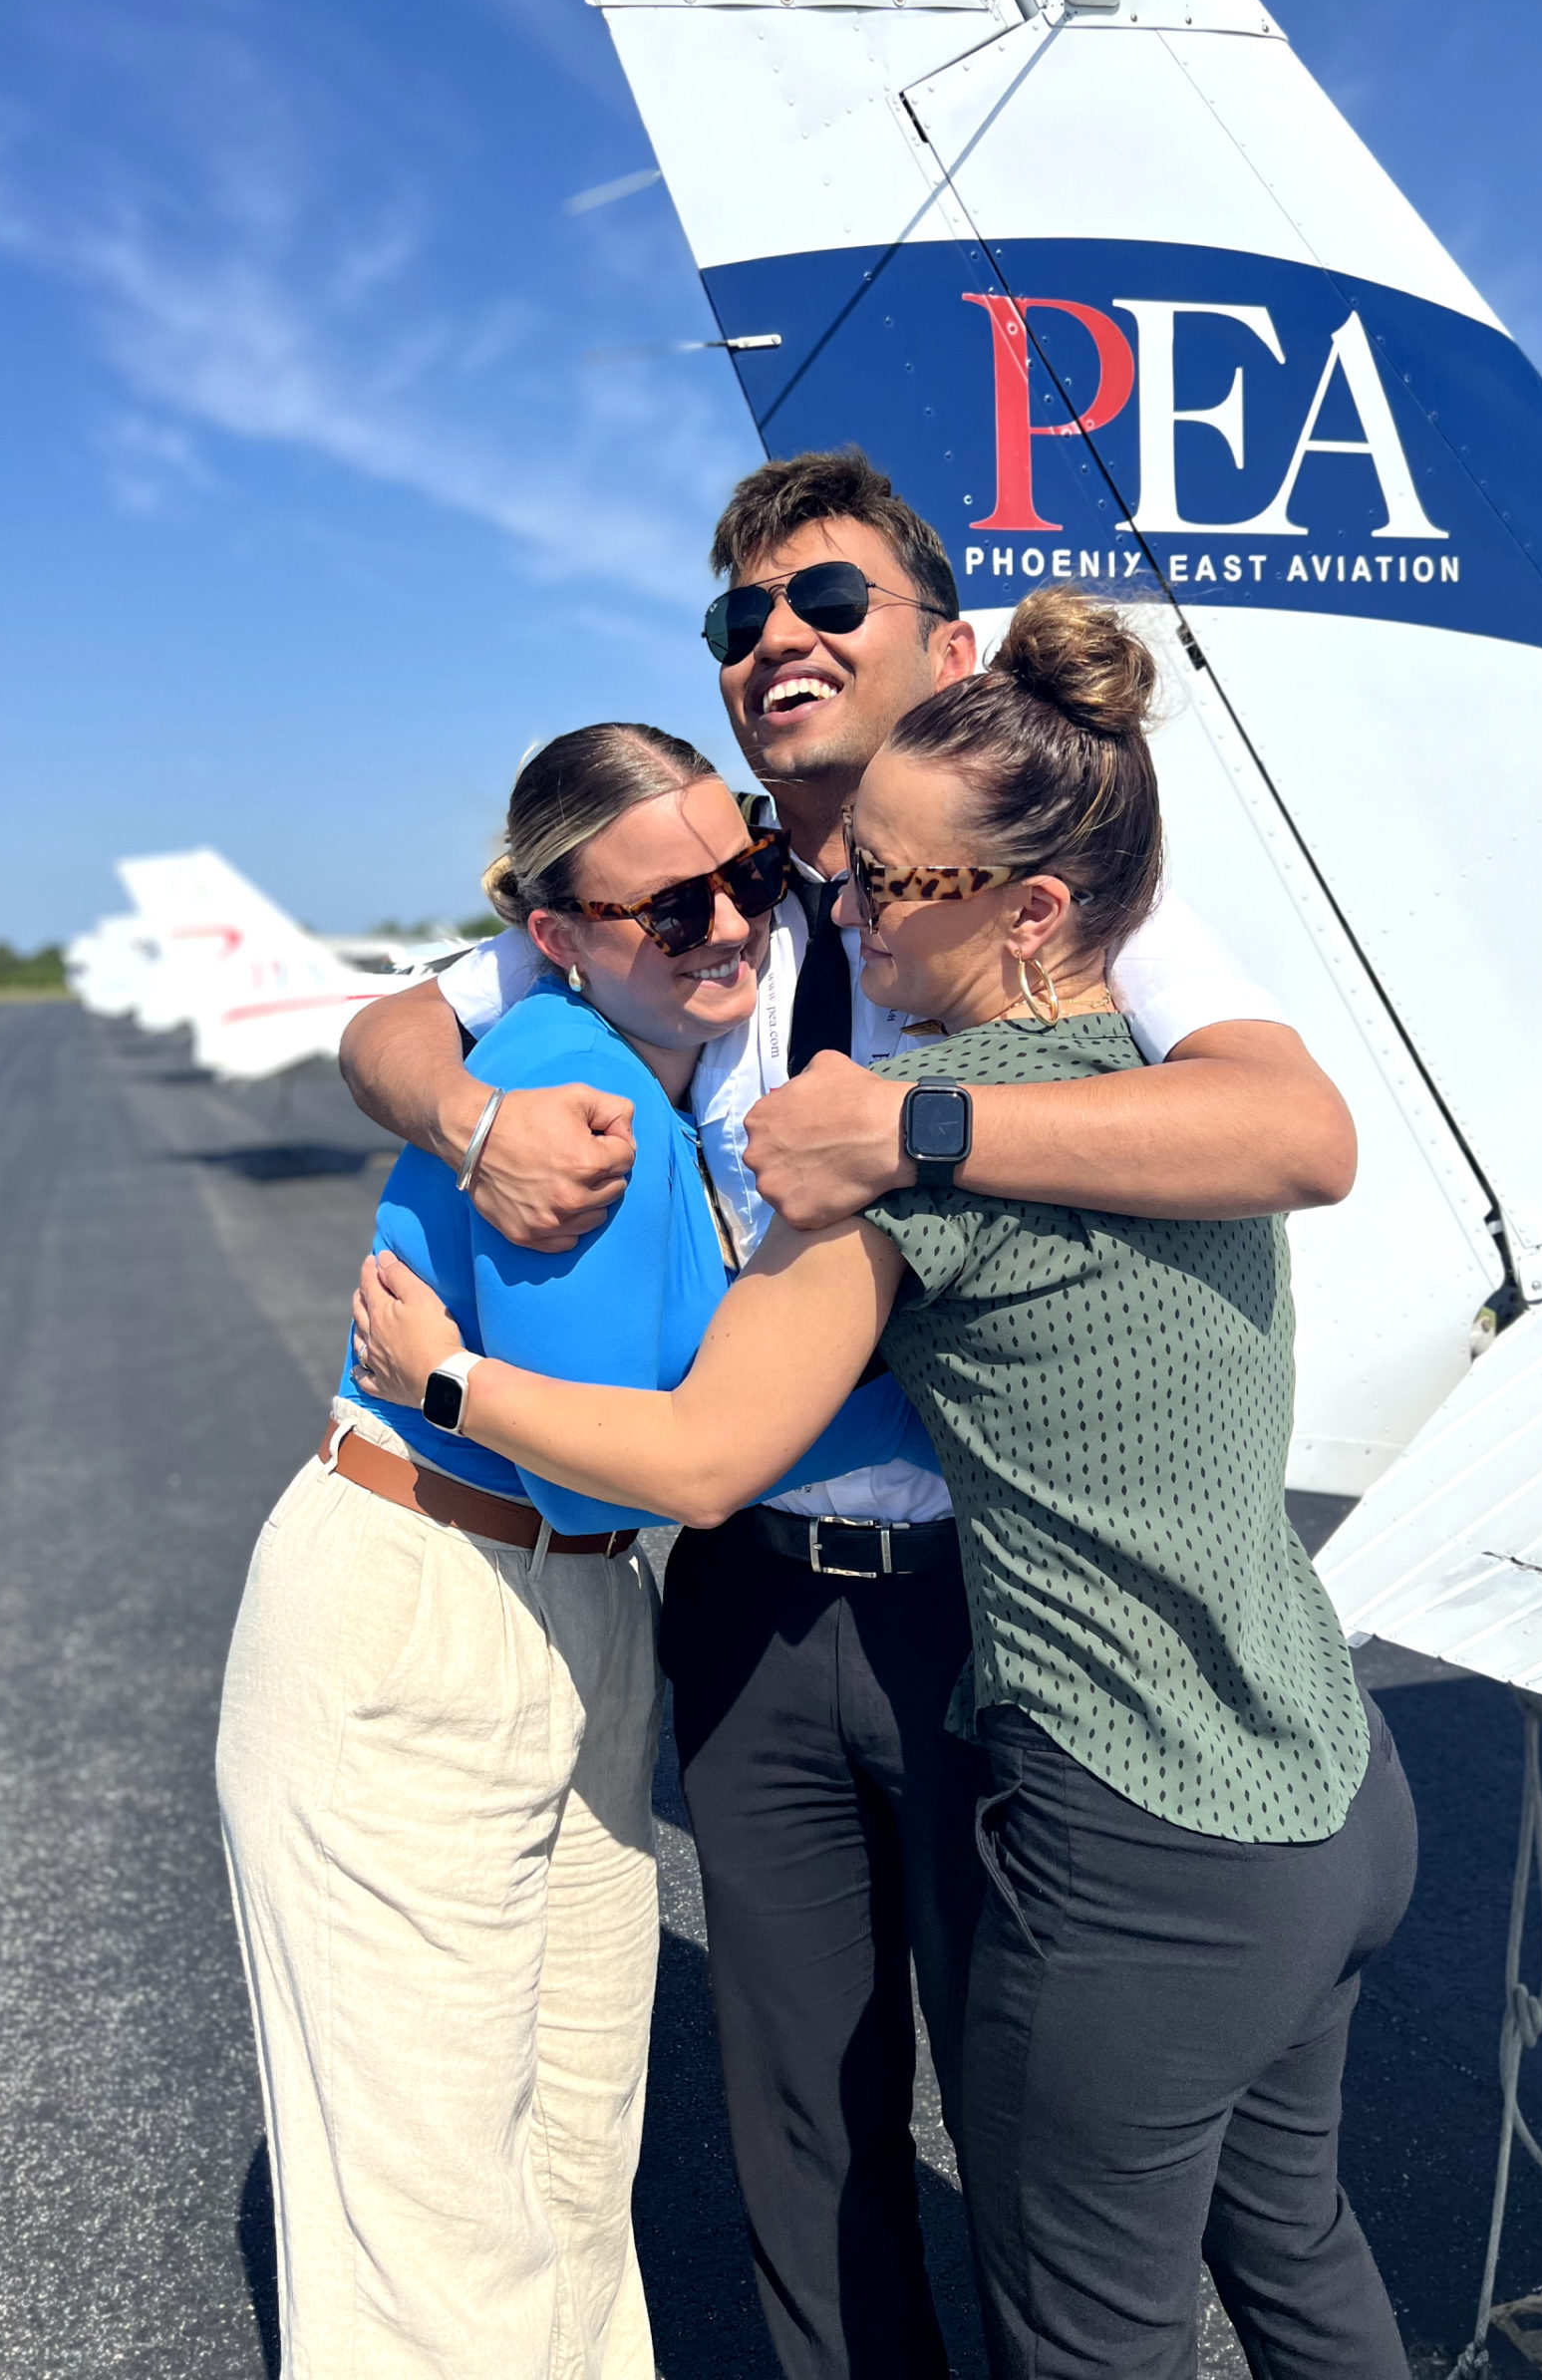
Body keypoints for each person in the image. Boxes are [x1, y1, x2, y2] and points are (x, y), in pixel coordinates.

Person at [341, 449, 1358, 2380]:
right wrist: (464, 1117)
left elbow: (1297, 1132)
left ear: (945, 646)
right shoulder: (701, 898)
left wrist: (921, 1119)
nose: (775, 644)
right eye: (739, 620)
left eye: (826, 604)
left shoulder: (1050, 900)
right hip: (745, 1588)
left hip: (985, 1611)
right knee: (801, 2120)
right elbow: (393, 1019)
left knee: (1035, 2123)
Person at [215, 722, 926, 2380]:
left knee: (567, 2167)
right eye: (671, 915)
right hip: (427, 1601)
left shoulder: (651, 1067)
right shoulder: (569, 1094)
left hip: (572, 1613)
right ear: (559, 937)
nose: (733, 929)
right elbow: (650, 1465)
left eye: (744, 878)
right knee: (435, 2226)